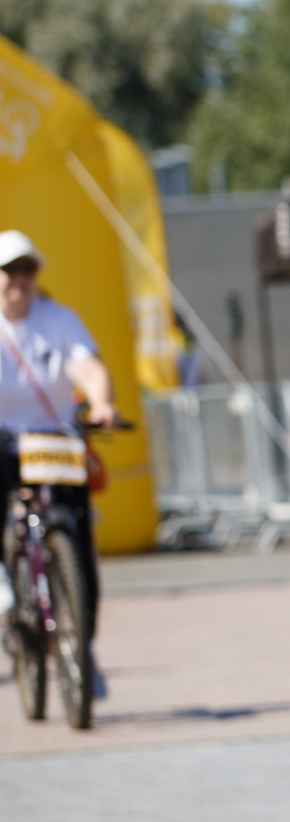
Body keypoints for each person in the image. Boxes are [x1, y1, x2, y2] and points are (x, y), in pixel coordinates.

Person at [0, 230, 118, 641]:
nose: (19, 279)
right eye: (10, 269)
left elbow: (89, 367)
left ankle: (81, 636)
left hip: (55, 437)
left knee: (76, 524)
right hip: (4, 438)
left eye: (26, 269)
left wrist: (102, 404)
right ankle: (5, 589)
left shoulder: (59, 319)